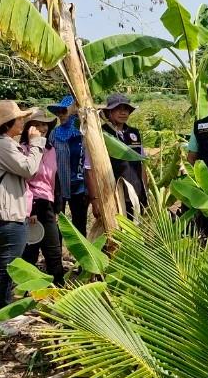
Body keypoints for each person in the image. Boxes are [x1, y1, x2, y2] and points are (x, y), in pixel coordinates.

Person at [0, 99, 46, 316]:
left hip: (12, 212)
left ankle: (3, 313)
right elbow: (29, 168)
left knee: (10, 267)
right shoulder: (2, 145)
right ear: (9, 122)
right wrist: (37, 143)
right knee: (7, 267)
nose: (23, 122)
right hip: (7, 215)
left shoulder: (6, 143)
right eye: (20, 118)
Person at [22, 109, 65, 285]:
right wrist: (30, 209)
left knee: (54, 251)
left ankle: (59, 292)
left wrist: (57, 209)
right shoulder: (24, 149)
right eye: (37, 125)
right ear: (29, 129)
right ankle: (26, 293)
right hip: (31, 205)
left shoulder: (51, 149)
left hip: (47, 205)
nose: (42, 128)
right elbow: (24, 180)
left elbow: (55, 179)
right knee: (30, 253)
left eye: (44, 124)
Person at [96, 93, 147, 218]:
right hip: (114, 192)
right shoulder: (102, 134)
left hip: (136, 190)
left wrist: (145, 190)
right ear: (109, 112)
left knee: (136, 230)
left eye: (126, 109)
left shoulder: (134, 133)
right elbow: (92, 168)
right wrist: (95, 199)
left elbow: (141, 163)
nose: (123, 112)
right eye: (119, 109)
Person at [48, 95, 88, 233]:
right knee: (57, 224)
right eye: (58, 112)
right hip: (59, 186)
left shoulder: (84, 132)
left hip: (80, 186)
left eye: (63, 111)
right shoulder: (54, 134)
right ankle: (57, 254)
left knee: (79, 223)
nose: (60, 115)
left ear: (73, 112)